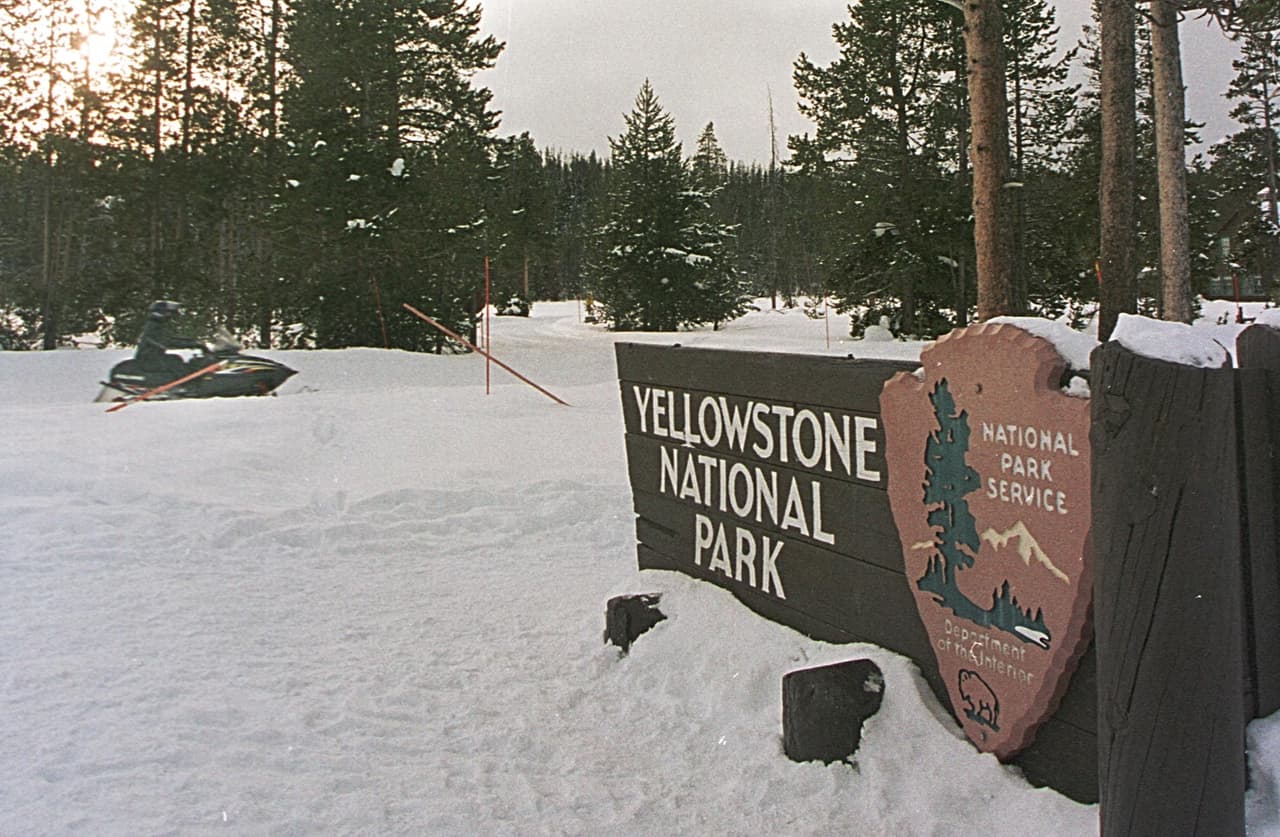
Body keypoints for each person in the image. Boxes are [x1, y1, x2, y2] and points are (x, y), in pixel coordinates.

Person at [134, 300, 207, 376]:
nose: (171, 316)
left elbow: (173, 338)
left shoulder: (157, 325)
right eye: (169, 313)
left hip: (152, 358)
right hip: (148, 361)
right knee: (176, 364)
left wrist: (194, 341)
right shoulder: (153, 327)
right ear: (162, 313)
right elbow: (168, 341)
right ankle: (187, 386)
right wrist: (193, 344)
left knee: (176, 359)